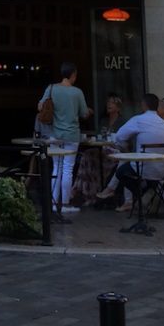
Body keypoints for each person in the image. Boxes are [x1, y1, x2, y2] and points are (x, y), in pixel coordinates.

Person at [103, 92, 164, 214]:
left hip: (143, 169)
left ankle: (137, 197)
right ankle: (139, 197)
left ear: (143, 105)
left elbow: (119, 136)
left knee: (121, 172)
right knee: (127, 162)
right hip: (163, 170)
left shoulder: (139, 120)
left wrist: (124, 147)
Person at [37, 62, 91, 214]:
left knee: (56, 167)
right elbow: (84, 113)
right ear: (73, 74)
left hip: (55, 134)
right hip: (72, 134)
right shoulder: (77, 92)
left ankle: (54, 203)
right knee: (68, 168)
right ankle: (65, 203)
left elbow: (40, 106)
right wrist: (88, 111)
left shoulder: (52, 88)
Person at [72, 93, 123, 205]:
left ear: (118, 107)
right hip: (103, 149)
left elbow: (124, 140)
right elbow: (99, 136)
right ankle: (84, 191)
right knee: (87, 155)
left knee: (95, 161)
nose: (109, 105)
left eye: (112, 103)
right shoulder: (103, 121)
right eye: (108, 102)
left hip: (115, 151)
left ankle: (85, 191)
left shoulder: (122, 122)